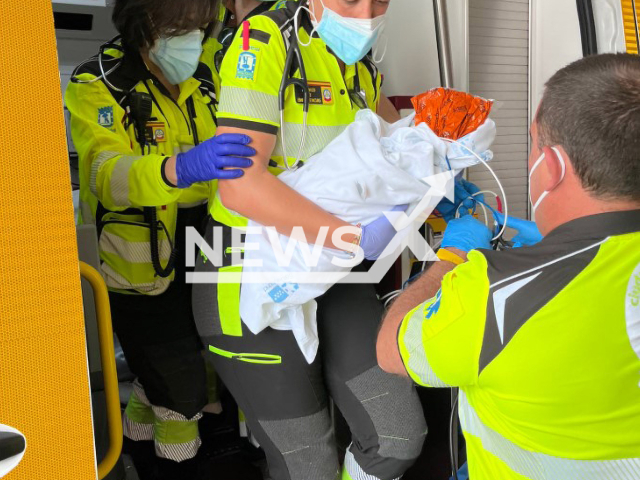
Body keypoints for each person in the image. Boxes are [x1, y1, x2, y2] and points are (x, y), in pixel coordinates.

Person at [192, 1, 427, 479]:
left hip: (335, 270)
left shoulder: (361, 66)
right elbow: (239, 185)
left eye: (377, 0)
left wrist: (440, 178)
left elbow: (392, 151)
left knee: (398, 437)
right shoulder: (266, 39)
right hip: (250, 273)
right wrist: (351, 237)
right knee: (307, 469)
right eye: (348, 1)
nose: (365, 13)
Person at [377, 53, 640, 480]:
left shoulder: (494, 295)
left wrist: (452, 258)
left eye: (534, 142)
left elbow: (391, 350)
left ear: (549, 165)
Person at [65, 0, 254, 476]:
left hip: (208, 243)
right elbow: (104, 174)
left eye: (199, 25)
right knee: (182, 390)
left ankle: (137, 448)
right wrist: (179, 167)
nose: (192, 36)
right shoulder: (98, 82)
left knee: (193, 370)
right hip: (142, 261)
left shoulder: (210, 72)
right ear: (143, 24)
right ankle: (174, 466)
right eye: (178, 26)